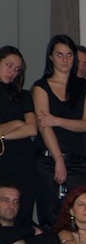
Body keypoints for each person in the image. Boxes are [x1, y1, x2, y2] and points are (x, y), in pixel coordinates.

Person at [32, 35, 86, 227]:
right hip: (48, 161)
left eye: (69, 55)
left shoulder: (85, 87)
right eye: (60, 54)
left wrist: (57, 120)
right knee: (51, 218)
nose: (65, 59)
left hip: (77, 161)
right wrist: (58, 158)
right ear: (51, 57)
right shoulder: (40, 87)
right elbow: (44, 126)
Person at [0, 46, 37, 225]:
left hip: (22, 161)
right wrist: (16, 124)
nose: (12, 72)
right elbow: (23, 125)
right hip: (2, 161)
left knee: (22, 214)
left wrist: (3, 137)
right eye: (8, 65)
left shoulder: (23, 96)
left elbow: (31, 129)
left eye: (17, 69)